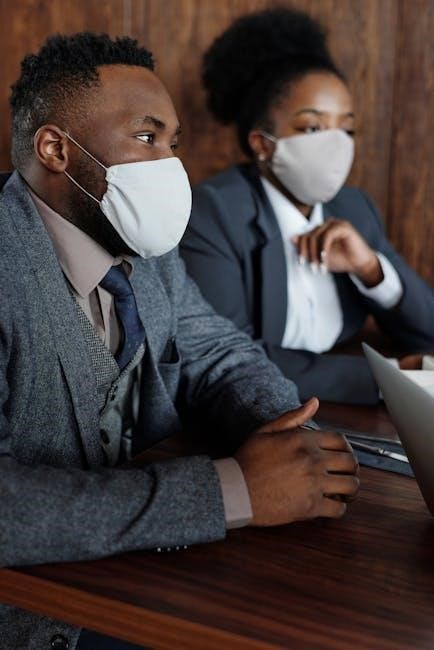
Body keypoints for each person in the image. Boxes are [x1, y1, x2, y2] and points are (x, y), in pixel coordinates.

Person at [0, 33, 359, 649]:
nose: (171, 165)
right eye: (147, 138)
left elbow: (216, 351)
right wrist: (233, 490)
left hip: (143, 579)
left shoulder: (142, 241)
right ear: (55, 149)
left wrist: (285, 432)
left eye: (174, 144)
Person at [180, 8, 434, 406]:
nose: (336, 144)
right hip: (261, 409)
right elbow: (227, 359)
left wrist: (371, 270)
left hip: (344, 401)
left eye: (346, 128)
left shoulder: (353, 206)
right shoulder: (213, 214)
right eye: (313, 127)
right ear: (262, 144)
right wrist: (388, 378)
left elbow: (428, 331)